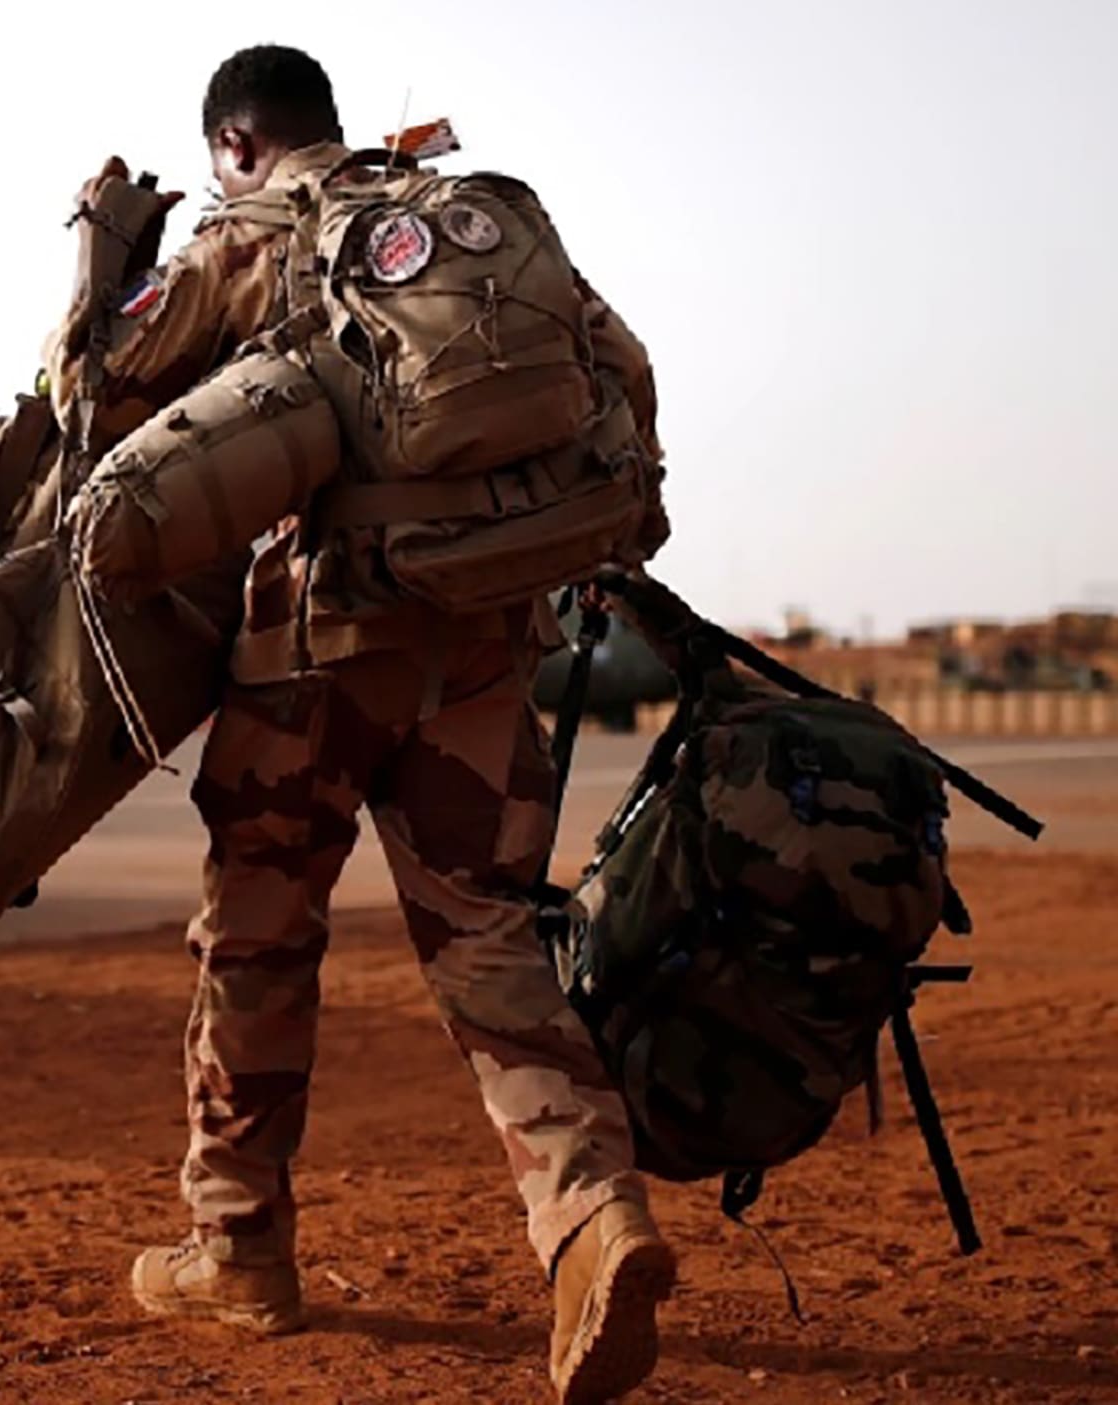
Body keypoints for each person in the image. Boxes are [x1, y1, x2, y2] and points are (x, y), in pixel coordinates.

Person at [43, 47, 673, 1403]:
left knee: (257, 942)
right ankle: (592, 1218)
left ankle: (239, 1250)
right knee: (490, 941)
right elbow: (623, 371)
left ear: (235, 144)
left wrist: (101, 260)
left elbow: (85, 398)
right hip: (485, 642)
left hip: (314, 649)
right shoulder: (469, 220)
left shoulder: (249, 234)